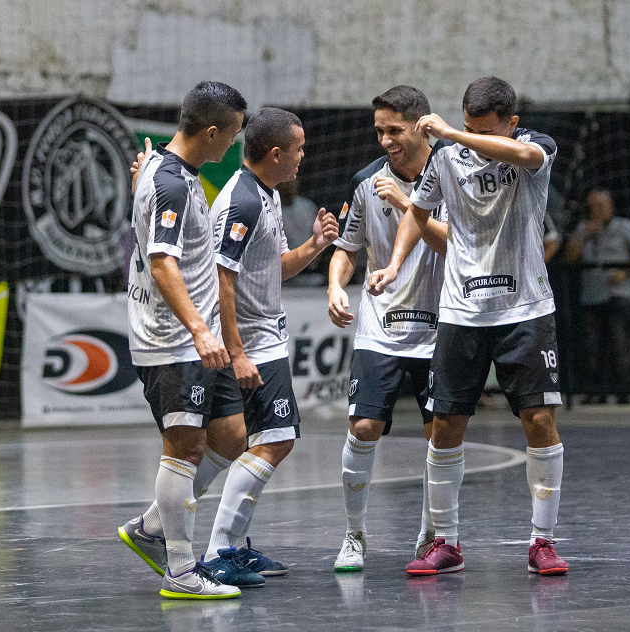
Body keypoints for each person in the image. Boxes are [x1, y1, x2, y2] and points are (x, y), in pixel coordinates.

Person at [370, 76, 569, 576]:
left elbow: (521, 159)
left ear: (511, 124)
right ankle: (447, 542)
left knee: (539, 422)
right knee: (444, 426)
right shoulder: (444, 160)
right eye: (464, 127)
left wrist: (456, 137)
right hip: (461, 313)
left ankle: (542, 541)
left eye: (482, 130)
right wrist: (394, 265)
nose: (467, 136)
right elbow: (417, 212)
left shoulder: (532, 148)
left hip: (525, 309)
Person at [116, 81, 248, 600]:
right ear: (211, 132)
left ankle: (151, 526)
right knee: (186, 447)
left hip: (195, 339)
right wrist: (198, 329)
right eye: (233, 135)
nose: (234, 146)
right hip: (174, 341)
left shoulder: (167, 171)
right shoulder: (171, 182)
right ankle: (179, 569)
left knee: (233, 435)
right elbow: (161, 261)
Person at [203, 107, 339, 584]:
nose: (303, 157)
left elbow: (272, 269)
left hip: (266, 338)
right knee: (276, 439)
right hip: (252, 343)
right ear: (276, 153)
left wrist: (316, 245)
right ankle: (218, 548)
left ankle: (225, 544)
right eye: (298, 149)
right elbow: (222, 280)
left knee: (249, 442)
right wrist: (237, 352)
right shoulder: (241, 201)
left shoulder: (267, 195)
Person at [327, 85, 449, 572]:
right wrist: (336, 286)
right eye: (379, 130)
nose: (384, 140)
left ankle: (430, 535)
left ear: (421, 126)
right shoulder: (364, 182)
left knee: (440, 435)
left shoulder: (453, 173)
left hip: (443, 327)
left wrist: (405, 203)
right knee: (364, 425)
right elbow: (347, 248)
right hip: (382, 325)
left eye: (394, 130)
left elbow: (456, 246)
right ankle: (354, 535)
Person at [564, 188, 630, 404]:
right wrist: (584, 236)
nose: (597, 211)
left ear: (610, 206)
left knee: (617, 342)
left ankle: (623, 391)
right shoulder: (583, 228)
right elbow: (570, 257)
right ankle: (595, 391)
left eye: (600, 206)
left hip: (617, 293)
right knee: (593, 345)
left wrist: (625, 271)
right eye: (592, 207)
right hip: (591, 295)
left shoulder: (625, 226)